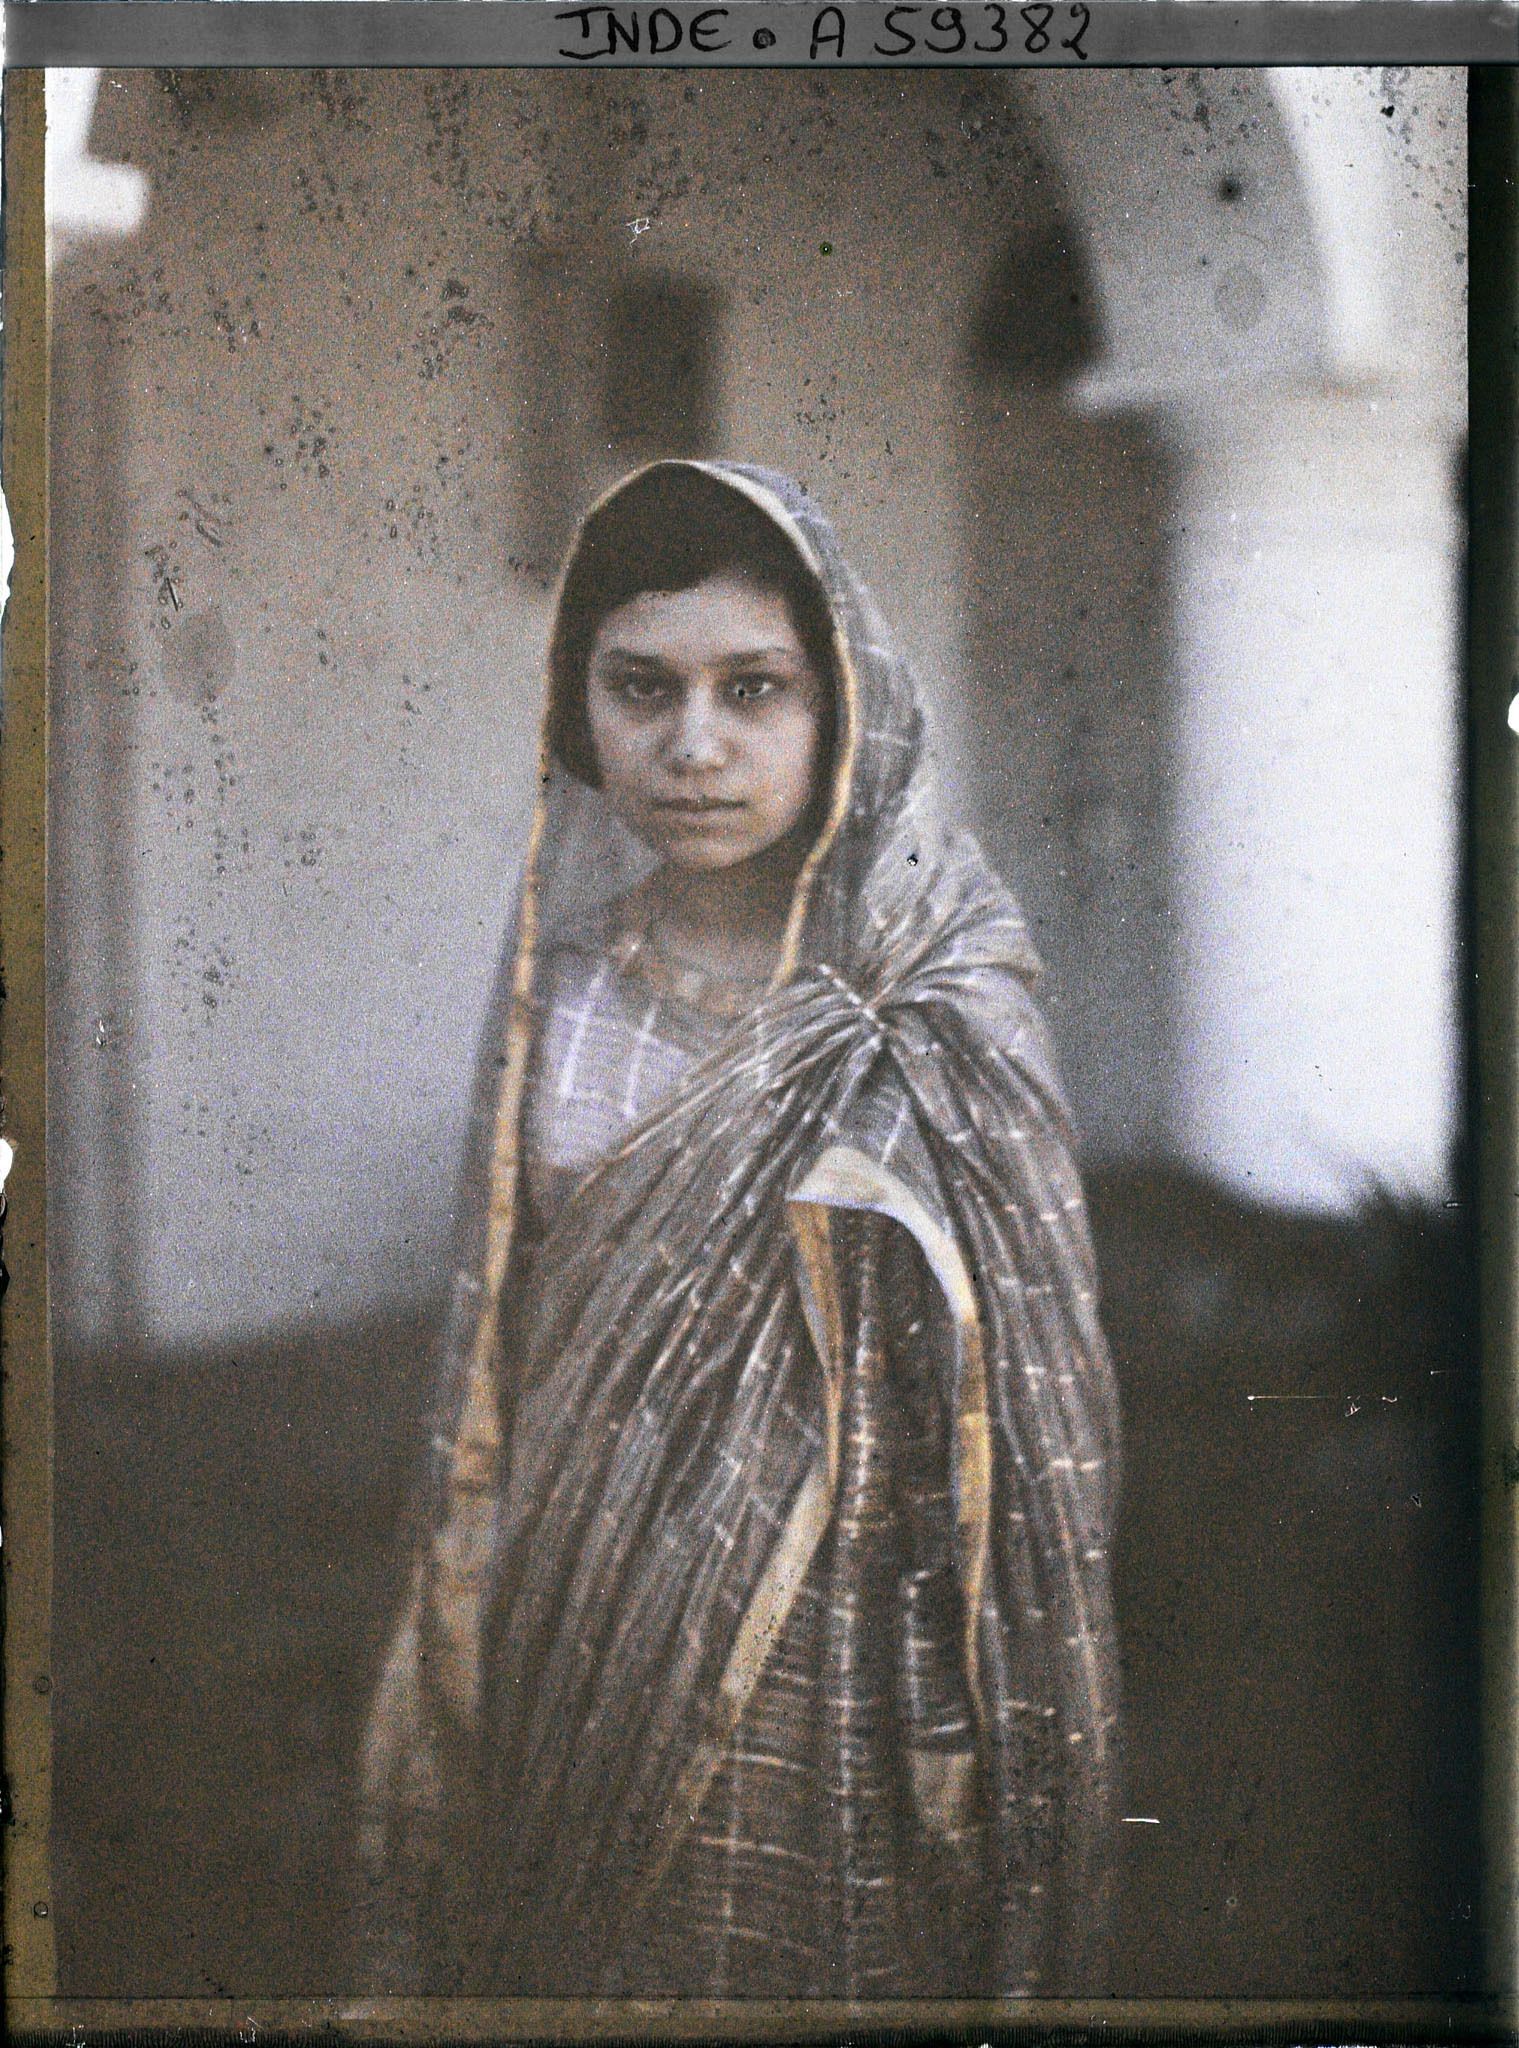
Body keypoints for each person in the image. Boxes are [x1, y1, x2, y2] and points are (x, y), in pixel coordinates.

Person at [356, 460, 1121, 1999]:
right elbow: (498, 1369)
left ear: (844, 707)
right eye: (641, 687)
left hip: (854, 1663)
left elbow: (1032, 1414)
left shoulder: (940, 1007)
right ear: (580, 710)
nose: (690, 745)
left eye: (751, 689)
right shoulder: (550, 998)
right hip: (575, 1626)